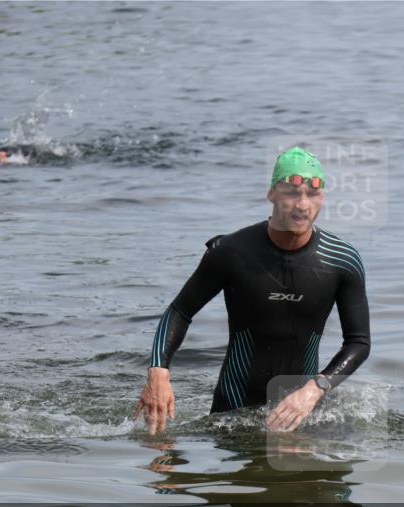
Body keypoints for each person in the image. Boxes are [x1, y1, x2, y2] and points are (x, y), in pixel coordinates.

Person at [134, 146, 371, 434]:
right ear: (271, 193)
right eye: (292, 193)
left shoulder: (341, 260)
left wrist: (316, 389)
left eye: (313, 194)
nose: (303, 205)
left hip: (302, 412)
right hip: (231, 414)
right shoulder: (232, 252)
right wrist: (158, 370)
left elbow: (358, 342)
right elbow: (180, 311)